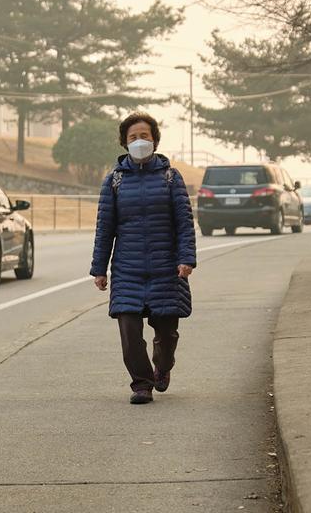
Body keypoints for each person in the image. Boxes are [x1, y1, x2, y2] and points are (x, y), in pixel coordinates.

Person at [90, 112, 197, 405]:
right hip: (127, 270)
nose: (139, 141)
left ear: (155, 140)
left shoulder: (170, 177)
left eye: (144, 136)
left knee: (167, 333)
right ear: (125, 143)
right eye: (133, 137)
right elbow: (105, 228)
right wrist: (99, 269)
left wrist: (186, 259)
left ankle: (162, 366)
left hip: (167, 269)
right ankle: (142, 383)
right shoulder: (114, 181)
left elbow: (184, 223)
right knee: (129, 331)